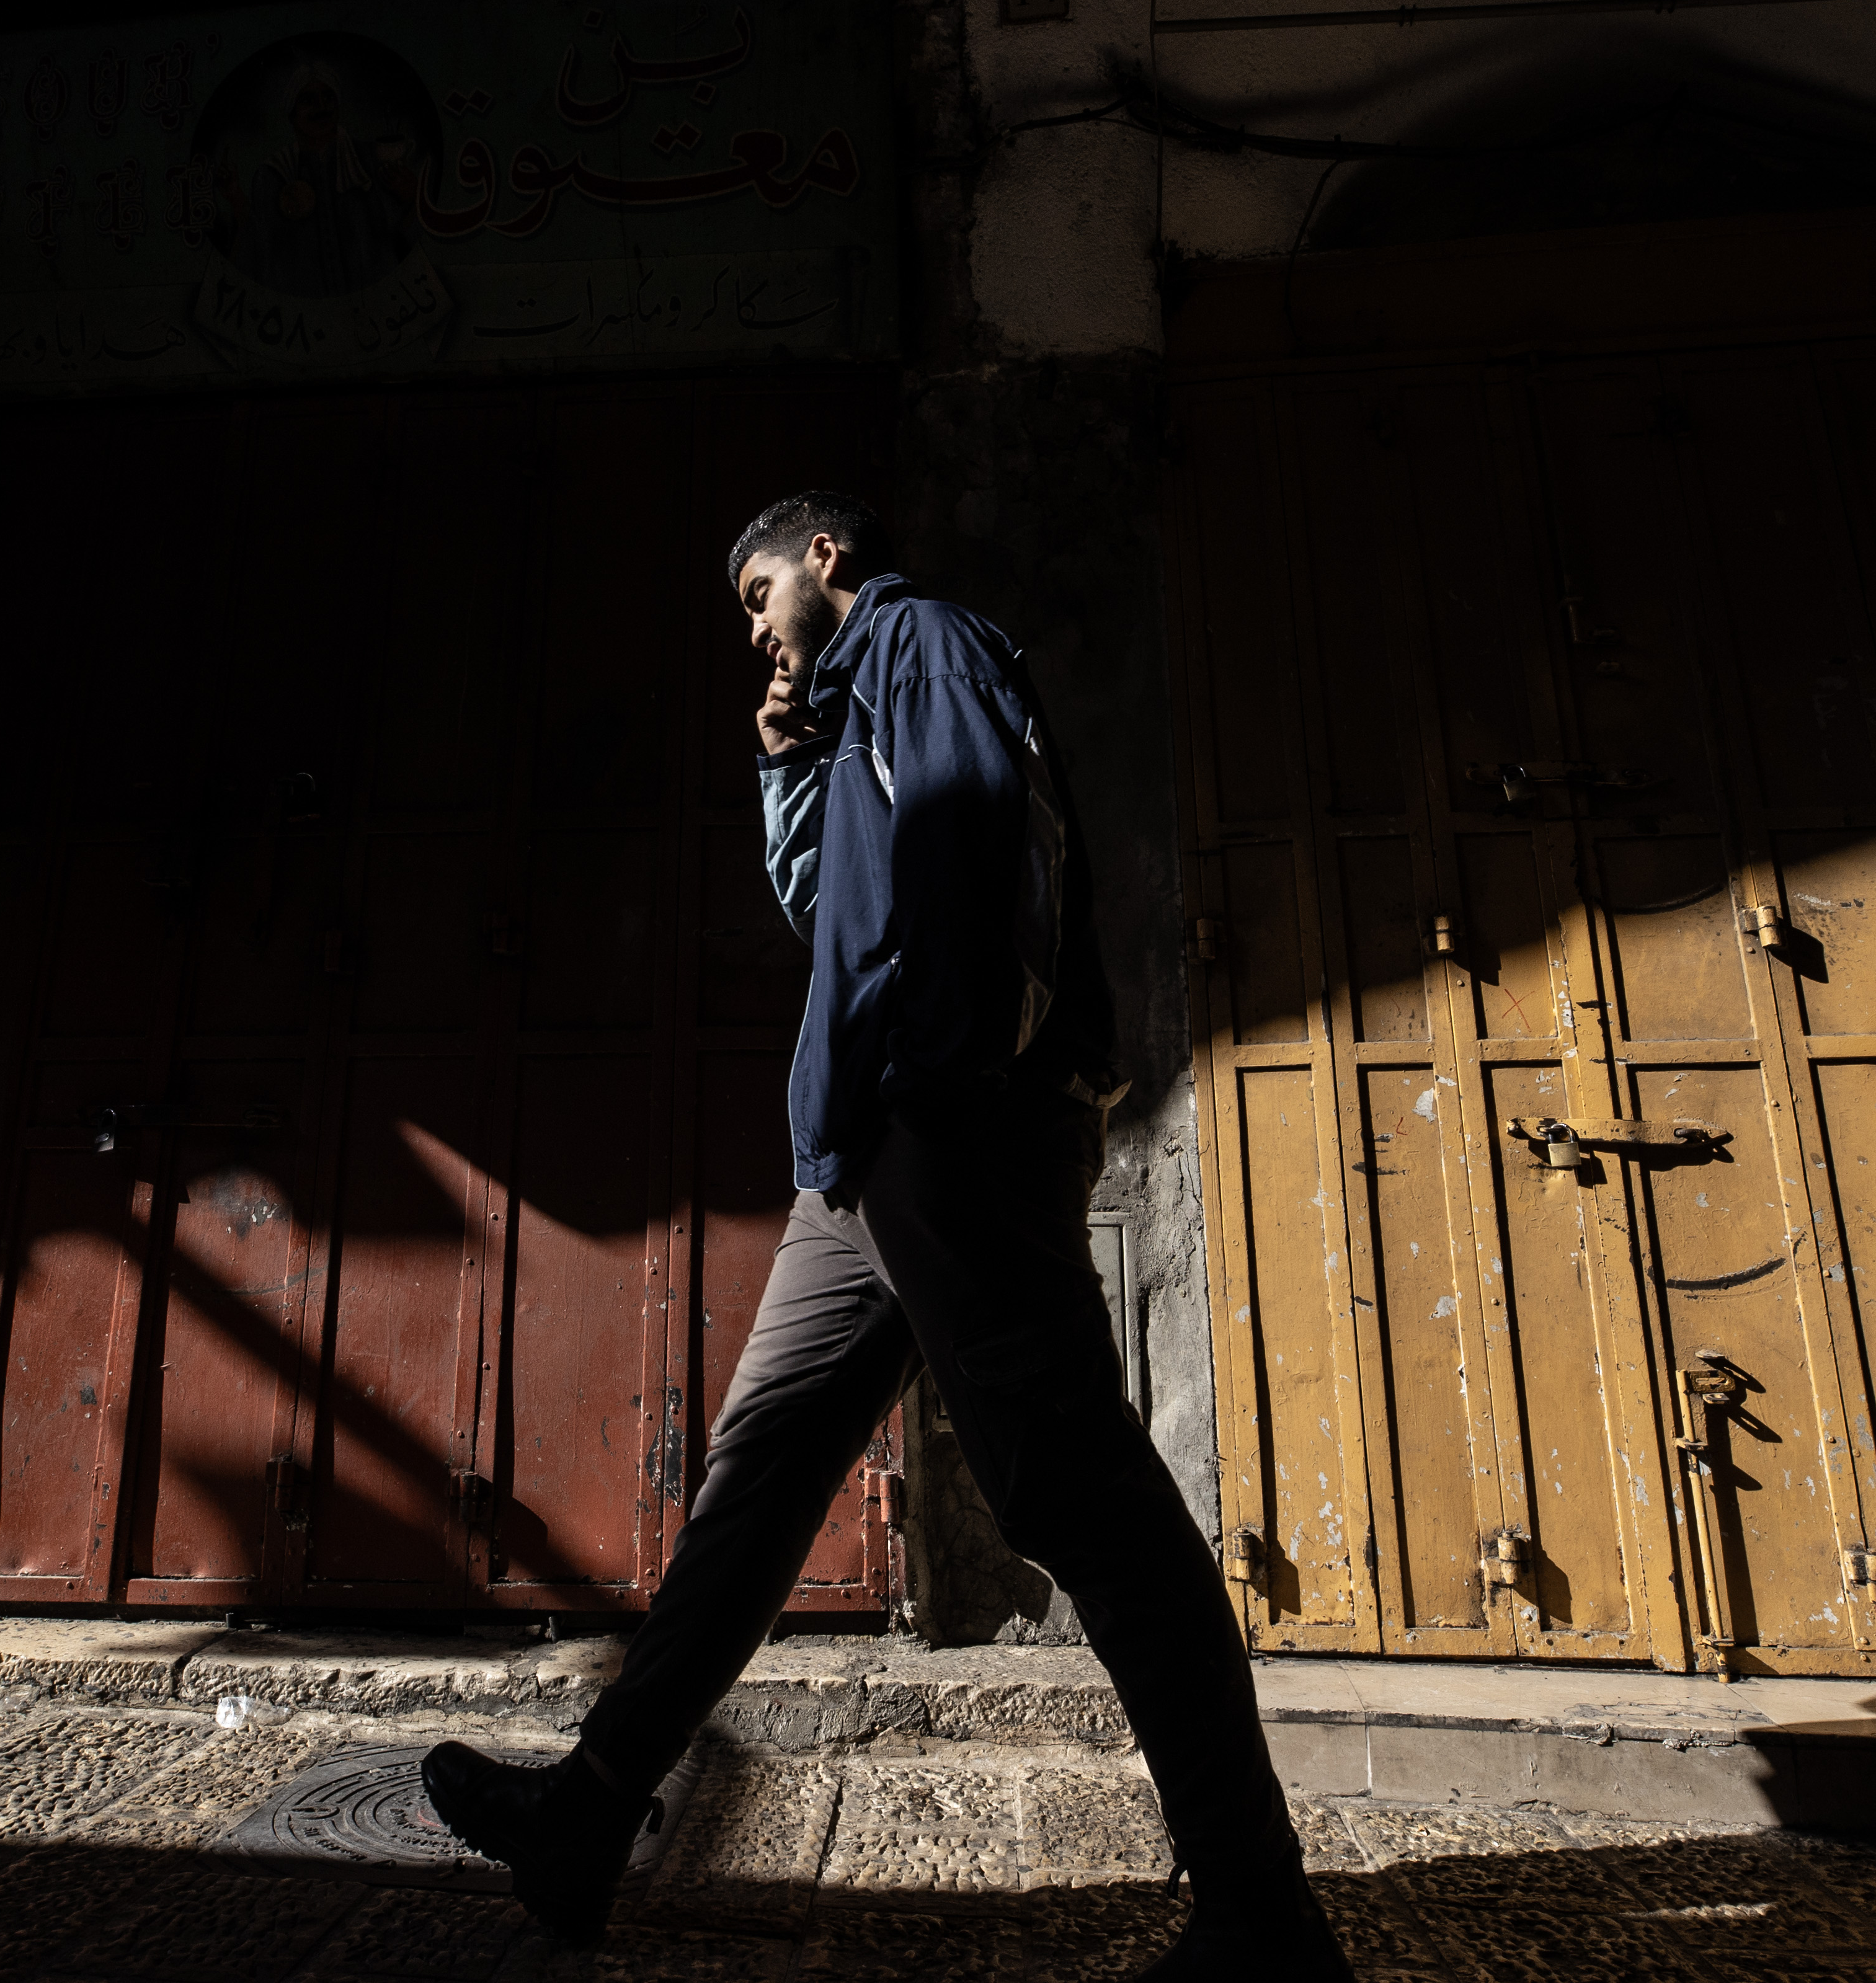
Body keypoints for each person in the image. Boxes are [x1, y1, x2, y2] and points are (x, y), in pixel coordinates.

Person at [424, 493, 1352, 1979]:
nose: (753, 621)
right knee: (761, 1478)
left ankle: (1261, 1914)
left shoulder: (920, 639)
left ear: (827, 561)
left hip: (943, 1127)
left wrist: (940, 1083)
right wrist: (787, 766)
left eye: (759, 589)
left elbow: (986, 848)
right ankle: (587, 1819)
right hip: (864, 1158)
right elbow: (832, 913)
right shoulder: (849, 709)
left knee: (1078, 1494)